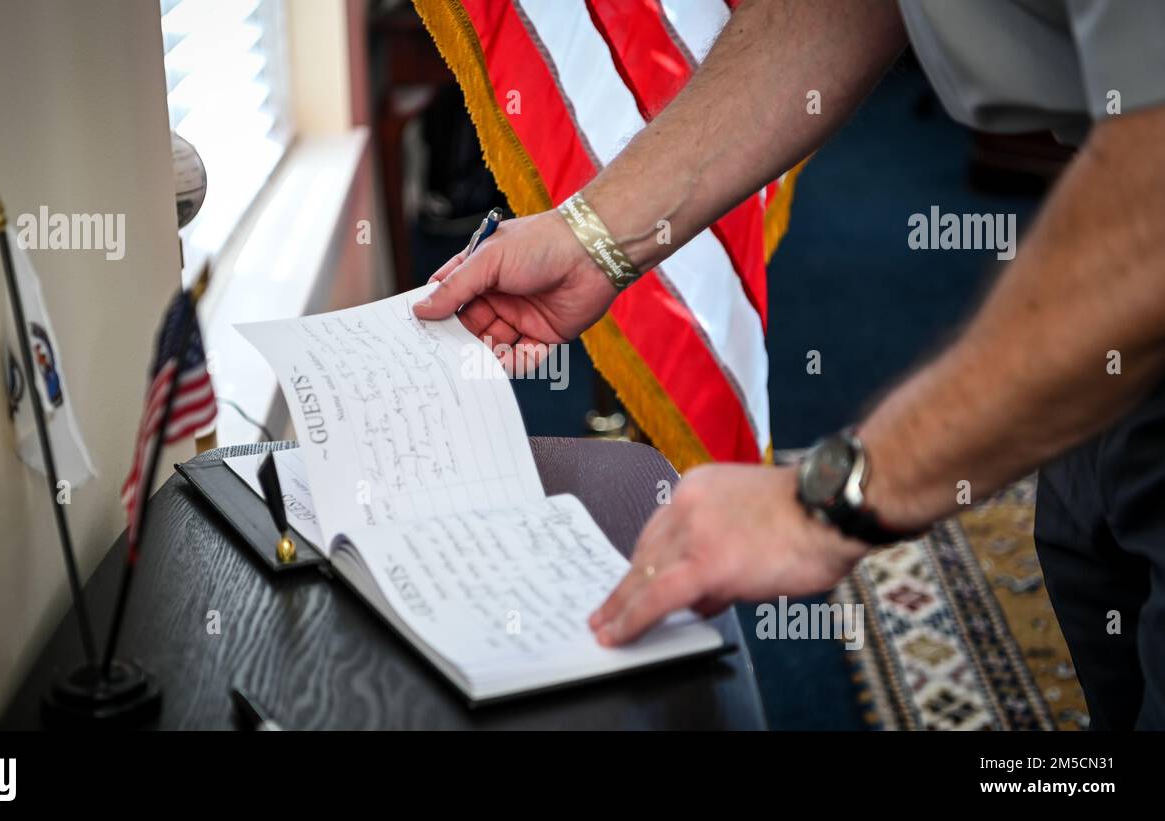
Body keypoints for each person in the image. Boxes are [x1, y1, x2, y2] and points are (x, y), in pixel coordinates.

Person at [412, 0, 1165, 730]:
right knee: (1100, 610)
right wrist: (593, 236)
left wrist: (826, 503)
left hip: (1130, 245)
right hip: (1099, 275)